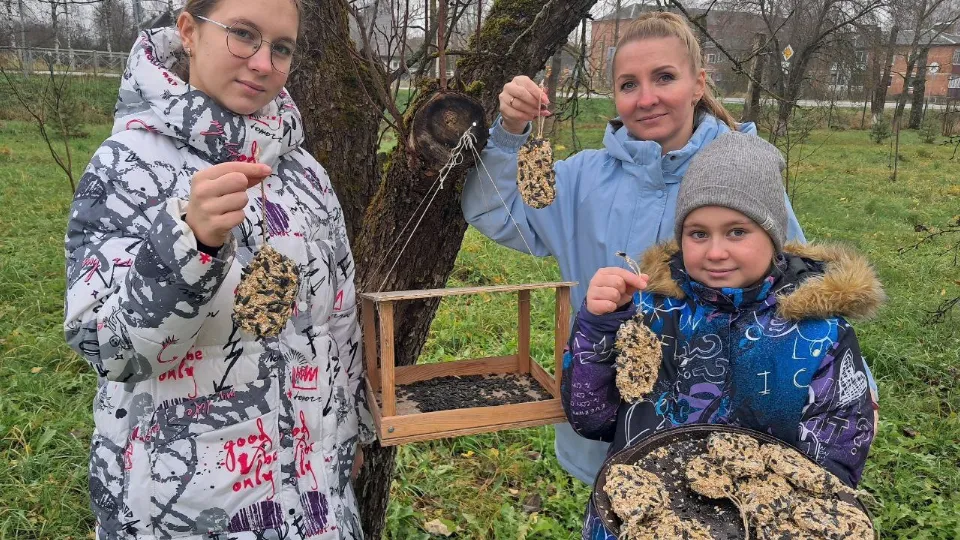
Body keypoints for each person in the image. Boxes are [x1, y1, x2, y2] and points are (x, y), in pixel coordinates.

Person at [63, 0, 375, 538]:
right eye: (243, 35)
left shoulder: (306, 175)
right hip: (185, 510)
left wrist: (351, 434)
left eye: (281, 48)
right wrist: (190, 243)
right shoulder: (125, 167)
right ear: (188, 30)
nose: (262, 62)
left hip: (316, 500)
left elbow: (340, 321)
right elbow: (109, 350)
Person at [461, 11, 808, 485]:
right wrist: (509, 134)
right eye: (628, 84)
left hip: (719, 431)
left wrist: (850, 382)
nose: (646, 99)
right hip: (606, 416)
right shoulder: (582, 179)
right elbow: (496, 210)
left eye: (664, 77)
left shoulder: (739, 172)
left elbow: (799, 286)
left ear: (698, 84)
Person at [562, 132, 882, 538]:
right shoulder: (650, 313)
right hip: (633, 520)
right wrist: (599, 324)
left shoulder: (819, 334)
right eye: (698, 233)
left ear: (773, 238)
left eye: (736, 232)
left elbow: (837, 461)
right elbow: (591, 417)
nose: (715, 252)